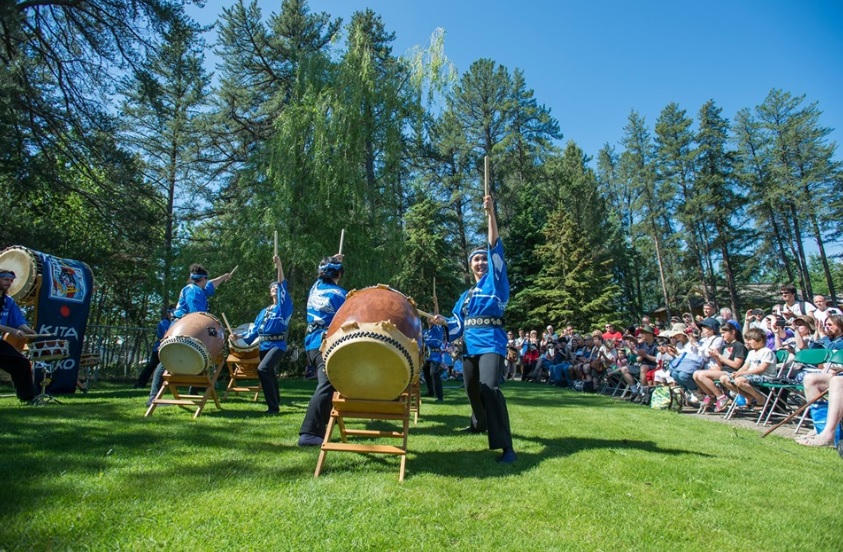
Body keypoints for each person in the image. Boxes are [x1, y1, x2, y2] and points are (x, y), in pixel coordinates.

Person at [432, 194, 516, 464]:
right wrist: (441, 321)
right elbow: (456, 322)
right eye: (475, 260)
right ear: (470, 266)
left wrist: (491, 213)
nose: (480, 262)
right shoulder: (466, 295)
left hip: (492, 342)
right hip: (469, 345)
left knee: (489, 388)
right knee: (471, 389)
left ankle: (507, 447)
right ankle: (478, 422)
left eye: (482, 259)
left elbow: (494, 247)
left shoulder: (497, 281)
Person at [147, 263, 234, 406]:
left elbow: (211, 286)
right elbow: (197, 314)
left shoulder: (195, 288)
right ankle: (153, 397)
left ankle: (192, 393)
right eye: (206, 280)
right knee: (167, 360)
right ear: (202, 279)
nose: (208, 283)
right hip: (184, 327)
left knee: (198, 358)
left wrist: (224, 277)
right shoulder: (194, 291)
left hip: (186, 326)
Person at [232, 255, 292, 414]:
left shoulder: (284, 307)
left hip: (278, 345)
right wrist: (239, 337)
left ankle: (273, 407)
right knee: (269, 372)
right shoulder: (263, 312)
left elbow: (282, 284)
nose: (274, 288)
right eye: (272, 287)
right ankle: (276, 400)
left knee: (263, 370)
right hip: (264, 345)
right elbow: (254, 331)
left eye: (276, 287)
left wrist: (279, 265)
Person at [298, 253, 347, 446]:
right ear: (339, 274)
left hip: (312, 343)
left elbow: (322, 273)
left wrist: (331, 260)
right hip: (326, 343)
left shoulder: (315, 289)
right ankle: (309, 432)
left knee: (332, 384)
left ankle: (323, 426)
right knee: (326, 386)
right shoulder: (340, 295)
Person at [0, 268, 37, 402]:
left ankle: (28, 398)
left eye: (11, 280)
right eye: (6, 279)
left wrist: (29, 331)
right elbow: (12, 328)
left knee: (21, 363)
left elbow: (18, 321)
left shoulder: (8, 301)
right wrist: (12, 331)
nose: (9, 283)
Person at [694, 321, 748, 412]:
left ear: (733, 332)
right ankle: (711, 396)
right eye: (721, 333)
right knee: (695, 374)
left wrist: (719, 356)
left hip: (733, 372)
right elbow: (720, 365)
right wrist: (716, 356)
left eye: (724, 333)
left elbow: (736, 365)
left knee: (702, 375)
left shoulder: (739, 346)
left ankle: (721, 397)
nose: (722, 335)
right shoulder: (725, 346)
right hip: (724, 370)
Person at [718, 327, 777, 409]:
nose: (747, 342)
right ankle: (749, 396)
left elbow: (761, 369)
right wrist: (737, 373)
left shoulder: (767, 352)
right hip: (750, 375)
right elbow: (745, 366)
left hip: (765, 376)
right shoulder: (751, 352)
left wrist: (742, 374)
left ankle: (760, 398)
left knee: (739, 380)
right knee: (724, 378)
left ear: (759, 340)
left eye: (750, 340)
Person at [134, 305, 174, 388]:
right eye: (172, 312)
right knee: (152, 365)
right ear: (168, 313)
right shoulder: (164, 323)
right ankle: (140, 384)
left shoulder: (176, 323)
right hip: (159, 348)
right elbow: (165, 335)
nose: (173, 314)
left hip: (171, 349)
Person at [422, 319, 445, 402]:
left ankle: (440, 396)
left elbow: (438, 321)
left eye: (430, 317)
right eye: (427, 317)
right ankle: (430, 392)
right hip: (427, 356)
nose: (429, 319)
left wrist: (437, 320)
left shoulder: (437, 329)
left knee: (434, 373)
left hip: (435, 355)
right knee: (426, 372)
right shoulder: (424, 331)